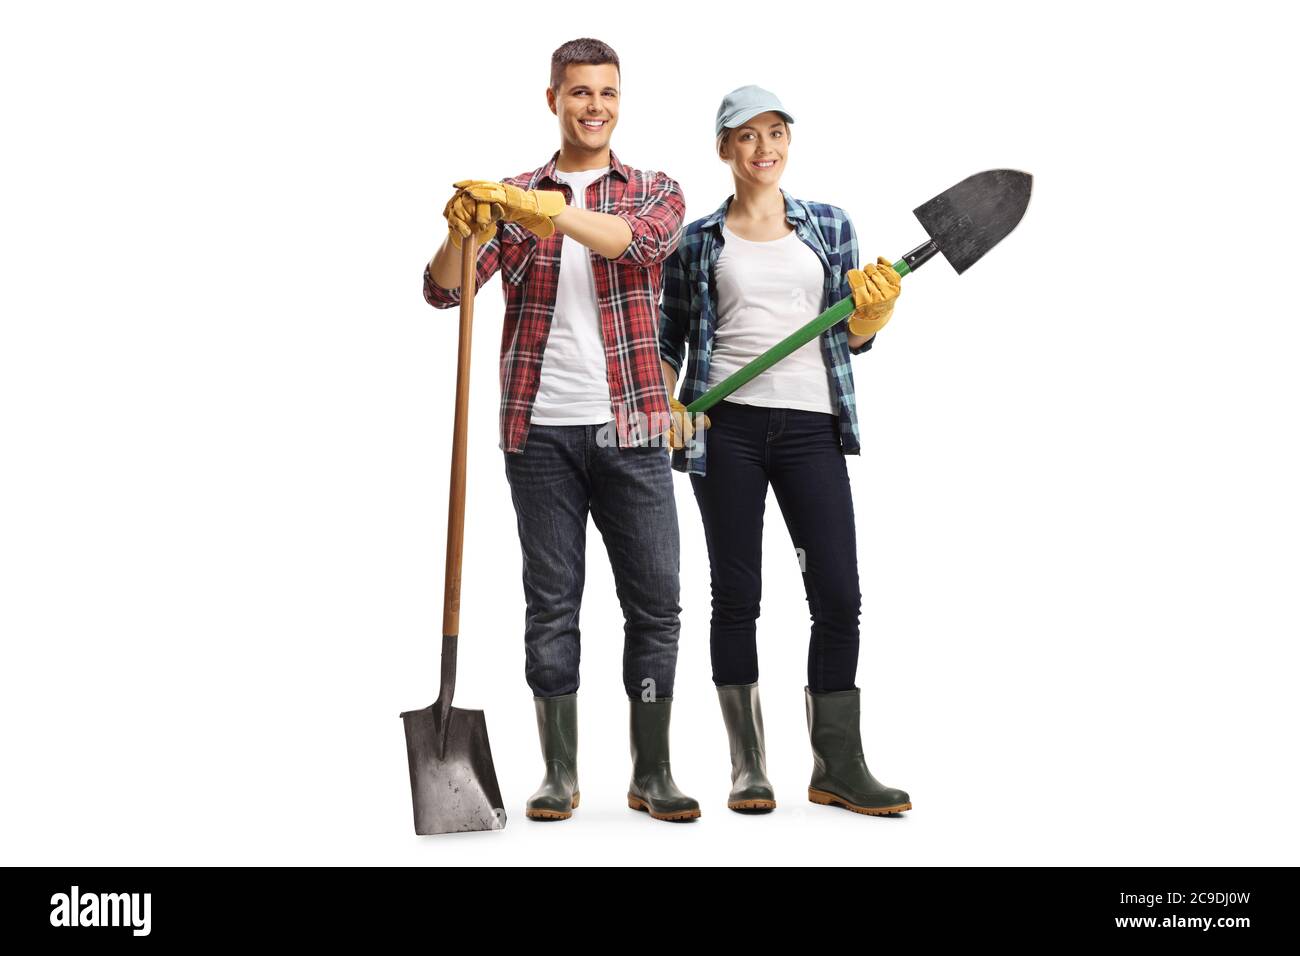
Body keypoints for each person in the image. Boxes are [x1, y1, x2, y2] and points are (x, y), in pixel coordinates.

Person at [424, 38, 706, 823]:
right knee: (551, 606)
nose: (594, 107)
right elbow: (446, 294)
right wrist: (463, 231)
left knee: (655, 605)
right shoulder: (510, 195)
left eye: (607, 93)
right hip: (539, 431)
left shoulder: (653, 189)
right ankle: (558, 774)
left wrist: (550, 210)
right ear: (553, 98)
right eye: (579, 92)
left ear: (621, 100)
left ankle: (652, 771)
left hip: (635, 427)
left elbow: (638, 244)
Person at [658, 85, 912, 816]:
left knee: (838, 593)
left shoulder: (830, 225)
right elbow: (670, 333)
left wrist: (873, 315)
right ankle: (749, 767)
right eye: (747, 136)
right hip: (726, 424)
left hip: (811, 427)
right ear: (723, 148)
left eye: (776, 133)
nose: (764, 148)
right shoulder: (699, 239)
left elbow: (853, 339)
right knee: (736, 596)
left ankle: (838, 765)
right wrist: (671, 403)